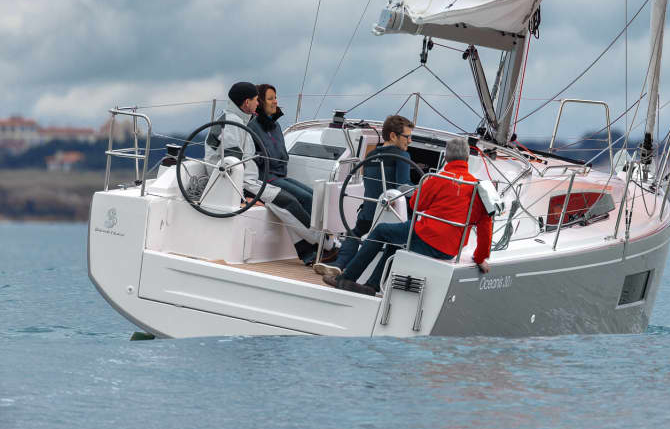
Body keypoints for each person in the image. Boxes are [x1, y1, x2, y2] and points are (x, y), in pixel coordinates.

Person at [324, 137, 492, 296]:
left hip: (427, 236)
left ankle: (346, 278)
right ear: (467, 159)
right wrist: (479, 258)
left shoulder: (436, 179)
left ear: (446, 157)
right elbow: (486, 227)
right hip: (450, 250)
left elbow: (415, 206)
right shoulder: (477, 187)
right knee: (395, 241)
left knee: (381, 230)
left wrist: (422, 188)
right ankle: (372, 286)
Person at [205, 81, 337, 265]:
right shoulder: (233, 125)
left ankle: (310, 252)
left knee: (283, 204)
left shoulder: (237, 120)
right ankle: (329, 245)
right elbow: (231, 166)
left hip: (246, 180)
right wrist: (245, 195)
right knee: (287, 202)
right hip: (238, 183)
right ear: (246, 103)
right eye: (255, 100)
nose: (258, 104)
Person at [315, 114, 419, 276]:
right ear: (393, 136)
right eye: (407, 136)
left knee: (355, 232)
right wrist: (424, 188)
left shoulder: (370, 156)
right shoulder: (402, 155)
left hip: (368, 213)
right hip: (391, 214)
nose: (410, 141)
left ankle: (340, 263)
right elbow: (403, 187)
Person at [247, 83, 314, 214]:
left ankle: (320, 233)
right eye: (270, 99)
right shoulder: (252, 126)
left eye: (275, 98)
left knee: (314, 195)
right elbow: (252, 156)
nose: (275, 102)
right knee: (307, 198)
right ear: (260, 102)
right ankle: (311, 234)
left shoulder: (275, 125)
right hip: (266, 178)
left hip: (280, 175)